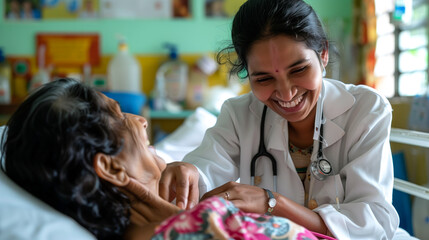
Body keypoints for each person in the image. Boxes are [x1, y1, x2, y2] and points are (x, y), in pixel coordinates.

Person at [159, 0, 401, 239]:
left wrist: (272, 203)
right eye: (264, 79)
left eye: (299, 70)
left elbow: (376, 223)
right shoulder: (238, 115)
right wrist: (189, 173)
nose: (286, 94)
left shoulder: (366, 110)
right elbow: (206, 170)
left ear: (323, 54)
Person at [1, 78, 319, 240]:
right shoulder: (206, 224)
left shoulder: (191, 218)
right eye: (118, 115)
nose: (140, 121)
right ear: (111, 167)